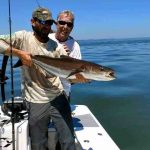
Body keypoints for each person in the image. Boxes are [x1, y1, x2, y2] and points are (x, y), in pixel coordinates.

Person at [0, 7, 76, 150]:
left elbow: (66, 75)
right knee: (38, 144)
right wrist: (19, 53)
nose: (46, 26)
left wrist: (78, 78)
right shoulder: (23, 37)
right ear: (33, 22)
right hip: (35, 100)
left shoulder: (56, 47)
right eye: (43, 21)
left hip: (58, 96)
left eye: (49, 22)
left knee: (68, 140)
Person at [49, 10, 81, 101]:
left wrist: (67, 61)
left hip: (63, 93)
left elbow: (73, 80)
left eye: (69, 24)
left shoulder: (75, 46)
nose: (65, 27)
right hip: (42, 92)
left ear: (72, 27)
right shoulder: (46, 39)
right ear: (56, 23)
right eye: (62, 23)